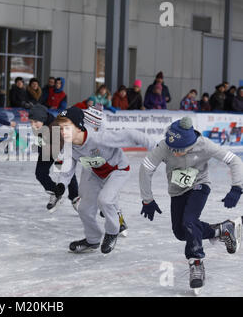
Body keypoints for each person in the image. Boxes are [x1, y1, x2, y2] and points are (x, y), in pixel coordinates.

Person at [139, 116, 243, 291]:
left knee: (189, 220)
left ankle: (196, 262)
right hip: (177, 190)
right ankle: (222, 230)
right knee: (181, 232)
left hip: (199, 185)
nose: (174, 152)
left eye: (179, 150)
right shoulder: (165, 146)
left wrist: (237, 187)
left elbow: (234, 160)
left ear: (190, 145)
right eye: (172, 148)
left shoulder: (205, 145)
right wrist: (147, 199)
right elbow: (146, 167)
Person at [54, 107, 155, 254]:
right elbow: (67, 167)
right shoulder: (69, 147)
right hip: (95, 173)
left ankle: (113, 231)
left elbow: (130, 135)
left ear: (78, 126)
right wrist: (62, 185)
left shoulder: (98, 138)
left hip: (117, 170)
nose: (63, 132)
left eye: (67, 128)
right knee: (84, 208)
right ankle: (92, 240)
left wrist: (156, 148)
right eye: (61, 128)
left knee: (105, 200)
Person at [28, 104, 80, 212]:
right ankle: (55, 192)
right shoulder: (39, 124)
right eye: (31, 122)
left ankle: (75, 197)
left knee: (66, 172)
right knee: (40, 173)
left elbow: (59, 147)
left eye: (35, 122)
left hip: (60, 150)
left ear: (42, 118)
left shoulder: (55, 126)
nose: (33, 125)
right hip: (47, 149)